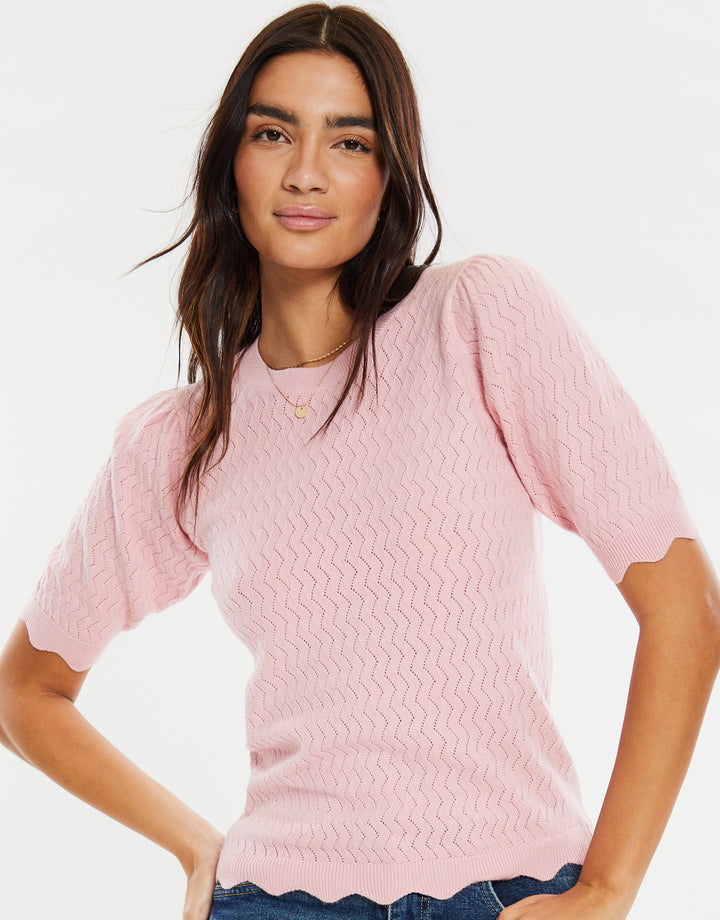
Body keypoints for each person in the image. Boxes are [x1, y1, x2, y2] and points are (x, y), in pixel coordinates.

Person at [1, 4, 718, 919]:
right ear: (231, 162)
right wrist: (196, 845)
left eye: (350, 142)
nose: (306, 172)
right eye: (273, 133)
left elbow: (685, 608)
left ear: (390, 174)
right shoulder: (182, 440)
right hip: (278, 897)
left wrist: (609, 887)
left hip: (511, 895)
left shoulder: (477, 320)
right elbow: (25, 692)